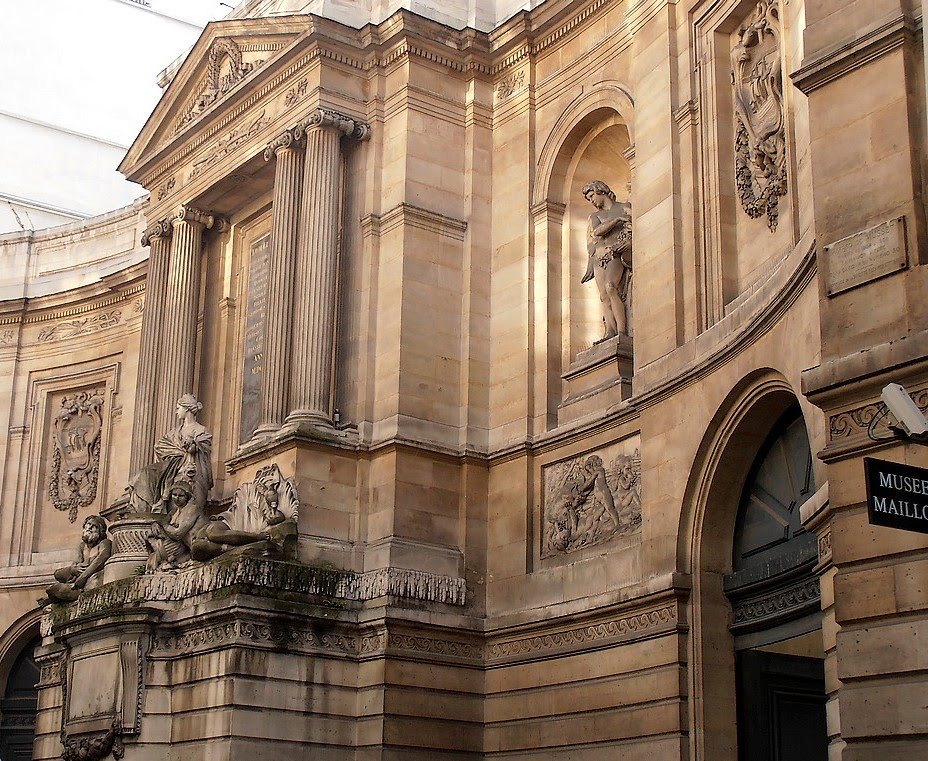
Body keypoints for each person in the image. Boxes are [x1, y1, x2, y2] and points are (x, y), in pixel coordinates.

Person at [128, 394, 213, 513]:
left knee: (177, 484)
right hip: (172, 466)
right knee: (145, 473)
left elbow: (200, 447)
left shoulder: (200, 430)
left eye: (179, 408)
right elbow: (160, 446)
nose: (176, 412)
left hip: (189, 468)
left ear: (187, 408)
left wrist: (191, 447)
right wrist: (179, 451)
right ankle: (143, 508)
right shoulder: (175, 432)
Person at [580, 180, 632, 340]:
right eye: (588, 199)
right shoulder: (595, 216)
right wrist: (617, 220)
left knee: (611, 287)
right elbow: (596, 233)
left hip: (614, 253)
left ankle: (622, 330)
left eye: (592, 196)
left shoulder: (624, 207)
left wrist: (628, 244)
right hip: (599, 257)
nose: (592, 200)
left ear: (600, 190)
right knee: (603, 295)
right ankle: (610, 330)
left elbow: (633, 229)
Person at [45, 515, 112, 603]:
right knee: (57, 576)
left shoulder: (105, 543)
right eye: (87, 525)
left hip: (90, 581)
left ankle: (60, 597)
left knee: (54, 589)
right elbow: (76, 564)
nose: (89, 528)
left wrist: (83, 578)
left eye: (93, 526)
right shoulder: (82, 546)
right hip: (76, 581)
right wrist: (74, 569)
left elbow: (102, 558)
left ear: (100, 530)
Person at [145, 480, 208, 571]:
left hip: (197, 544)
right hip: (187, 548)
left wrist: (163, 525)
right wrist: (155, 524)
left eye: (181, 496)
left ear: (187, 497)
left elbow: (178, 533)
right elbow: (163, 521)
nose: (177, 498)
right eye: (174, 495)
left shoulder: (192, 509)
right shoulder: (174, 511)